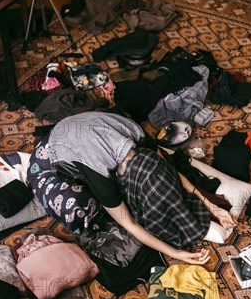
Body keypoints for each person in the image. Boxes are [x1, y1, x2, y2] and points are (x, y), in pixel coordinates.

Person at [27, 112, 237, 265]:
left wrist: (209, 204)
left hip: (80, 126)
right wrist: (177, 253)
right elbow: (131, 224)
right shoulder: (101, 175)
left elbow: (170, 173)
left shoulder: (139, 136)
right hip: (50, 155)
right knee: (80, 207)